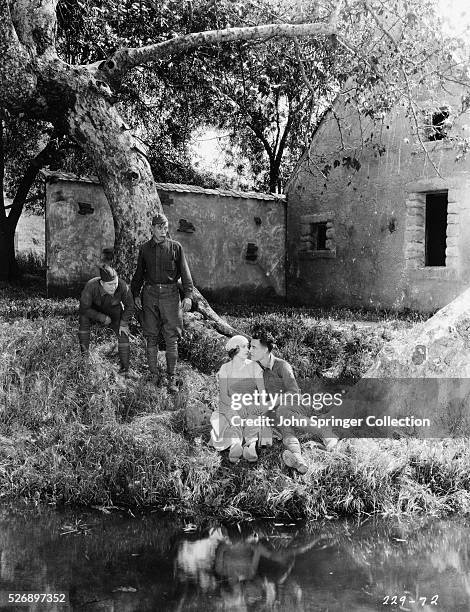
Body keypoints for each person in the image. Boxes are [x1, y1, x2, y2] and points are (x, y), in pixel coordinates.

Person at [250, 328, 338, 475]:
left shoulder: (282, 366)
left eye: (254, 347)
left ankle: (326, 433)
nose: (250, 350)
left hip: (297, 405)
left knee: (282, 412)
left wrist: (273, 403)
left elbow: (293, 391)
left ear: (266, 350)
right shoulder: (258, 371)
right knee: (283, 426)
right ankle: (298, 459)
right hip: (278, 410)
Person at [131, 212, 193, 392]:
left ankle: (171, 378)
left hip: (170, 295)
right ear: (152, 228)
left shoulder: (176, 247)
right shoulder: (144, 249)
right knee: (151, 335)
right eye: (160, 227)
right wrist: (135, 294)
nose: (163, 231)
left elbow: (185, 272)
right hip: (149, 295)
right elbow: (139, 274)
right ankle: (153, 375)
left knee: (171, 336)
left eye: (166, 227)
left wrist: (188, 295)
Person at [210, 335, 272, 464]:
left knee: (254, 417)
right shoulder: (225, 368)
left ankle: (251, 446)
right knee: (233, 418)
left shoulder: (255, 366)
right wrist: (237, 405)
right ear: (234, 349)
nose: (248, 350)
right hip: (231, 403)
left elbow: (262, 392)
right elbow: (223, 396)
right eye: (244, 347)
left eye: (248, 346)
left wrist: (254, 405)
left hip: (251, 403)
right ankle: (235, 445)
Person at [78, 264, 134, 374]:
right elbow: (84, 308)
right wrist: (101, 317)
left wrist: (123, 323)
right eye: (110, 285)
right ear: (102, 283)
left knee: (123, 332)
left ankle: (125, 369)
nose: (114, 287)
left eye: (115, 283)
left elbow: (130, 306)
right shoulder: (91, 286)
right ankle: (84, 359)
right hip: (93, 312)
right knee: (83, 320)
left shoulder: (122, 286)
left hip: (114, 311)